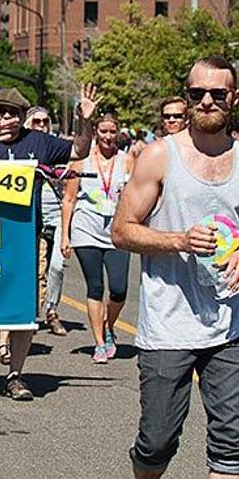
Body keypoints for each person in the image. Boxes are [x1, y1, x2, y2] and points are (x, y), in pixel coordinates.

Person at [113, 56, 239, 478]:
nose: (206, 101)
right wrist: (179, 241)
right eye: (197, 93)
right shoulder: (159, 156)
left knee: (232, 446)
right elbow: (121, 231)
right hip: (169, 326)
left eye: (217, 93)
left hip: (230, 328)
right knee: (157, 442)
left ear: (234, 98)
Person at [0, 84, 98, 400]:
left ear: (23, 117)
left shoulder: (38, 142)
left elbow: (79, 151)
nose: (5, 119)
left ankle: (15, 375)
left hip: (26, 239)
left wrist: (85, 120)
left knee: (25, 310)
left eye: (12, 114)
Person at [61, 114, 133, 363]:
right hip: (86, 229)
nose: (108, 137)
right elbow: (69, 199)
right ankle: (100, 343)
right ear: (95, 132)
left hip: (117, 231)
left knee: (119, 289)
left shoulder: (127, 160)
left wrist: (128, 194)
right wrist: (65, 236)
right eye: (103, 131)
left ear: (118, 133)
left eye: (112, 132)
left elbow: (138, 196)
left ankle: (108, 325)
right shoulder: (81, 162)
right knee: (95, 286)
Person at [25, 106, 69, 337]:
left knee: (57, 267)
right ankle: (32, 313)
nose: (41, 125)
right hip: (34, 214)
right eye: (36, 122)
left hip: (58, 214)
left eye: (45, 121)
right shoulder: (24, 148)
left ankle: (52, 310)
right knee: (37, 268)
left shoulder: (57, 147)